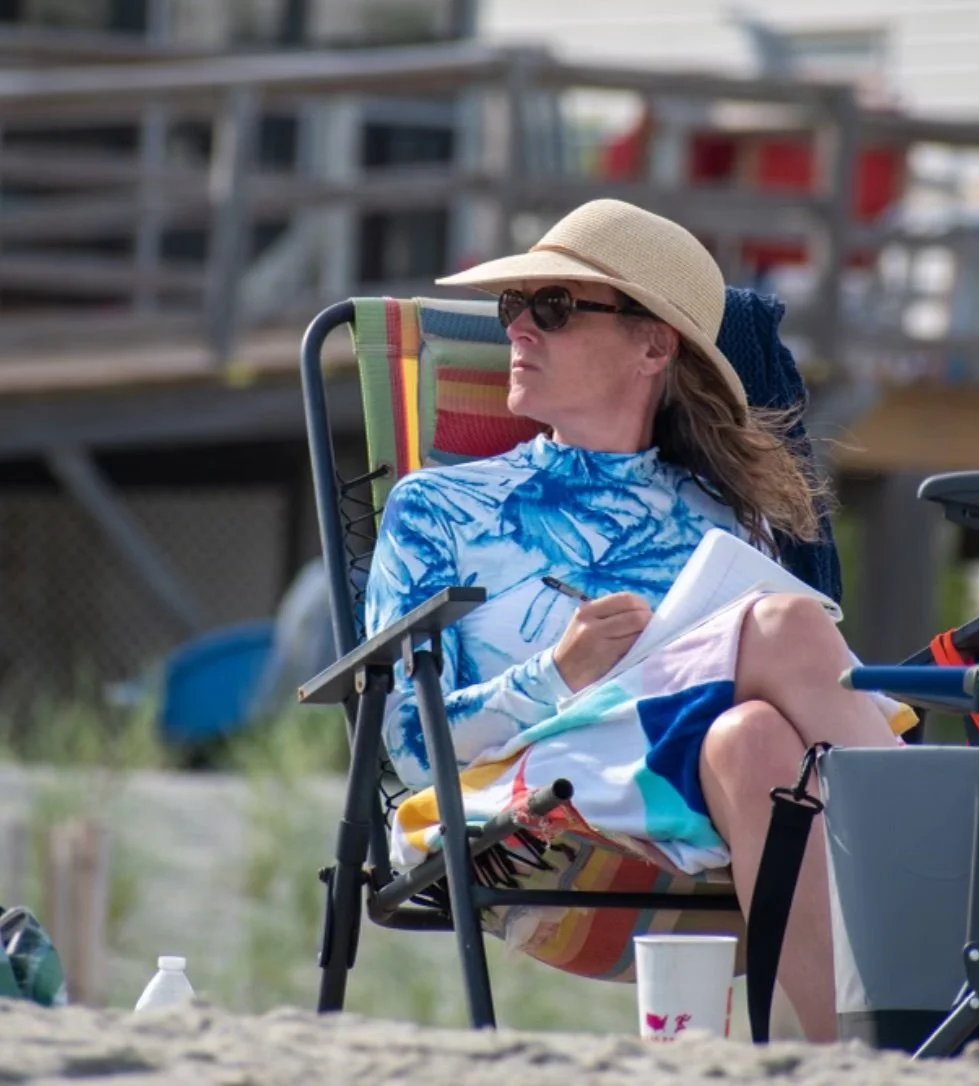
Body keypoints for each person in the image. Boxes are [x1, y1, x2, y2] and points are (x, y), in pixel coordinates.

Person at [364, 199, 912, 1042]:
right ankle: (960, 860)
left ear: (654, 345)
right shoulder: (440, 506)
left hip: (689, 787)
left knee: (754, 739)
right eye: (515, 308)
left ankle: (884, 1054)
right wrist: (561, 671)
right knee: (789, 631)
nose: (518, 332)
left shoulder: (726, 514)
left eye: (552, 310)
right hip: (532, 803)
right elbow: (403, 742)